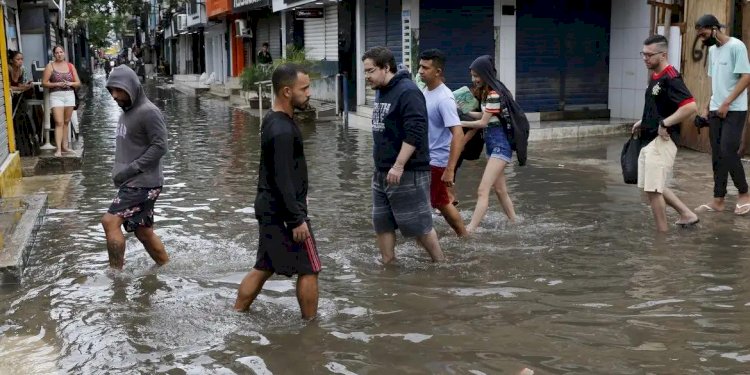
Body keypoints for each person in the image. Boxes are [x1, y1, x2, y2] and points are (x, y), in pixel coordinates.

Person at [234, 63, 321, 320]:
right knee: (310, 268)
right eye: (304, 88)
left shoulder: (273, 120)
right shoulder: (281, 129)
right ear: (286, 91)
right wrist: (296, 219)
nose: (309, 93)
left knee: (264, 265)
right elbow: (282, 177)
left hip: (270, 206)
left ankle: (237, 314)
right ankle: (311, 327)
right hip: (283, 212)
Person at [363, 46, 445, 264]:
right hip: (381, 171)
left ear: (386, 67)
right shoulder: (381, 89)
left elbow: (416, 132)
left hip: (408, 171)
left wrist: (398, 165)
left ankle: (441, 264)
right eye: (365, 71)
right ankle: (388, 264)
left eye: (370, 71)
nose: (366, 76)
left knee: (418, 225)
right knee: (382, 223)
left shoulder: (408, 92)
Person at [101, 65, 169, 271]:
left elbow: (160, 146)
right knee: (143, 231)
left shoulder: (148, 112)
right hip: (133, 182)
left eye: (119, 90)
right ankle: (166, 267)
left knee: (110, 221)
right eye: (111, 90)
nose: (114, 95)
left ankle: (116, 277)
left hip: (142, 183)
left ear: (132, 87)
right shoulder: (127, 112)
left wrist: (131, 170)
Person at [631, 35, 699, 232]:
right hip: (649, 137)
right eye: (643, 54)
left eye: (649, 55)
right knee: (651, 186)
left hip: (662, 139)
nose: (645, 58)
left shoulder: (671, 77)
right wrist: (643, 121)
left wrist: (665, 123)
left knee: (653, 189)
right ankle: (687, 214)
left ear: (663, 55)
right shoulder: (656, 76)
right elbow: (659, 106)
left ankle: (661, 235)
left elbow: (690, 107)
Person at [460, 55, 527, 232]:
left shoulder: (494, 94)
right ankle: (516, 223)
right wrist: (461, 111)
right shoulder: (488, 93)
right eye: (472, 76)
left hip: (500, 147)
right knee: (500, 190)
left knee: (482, 190)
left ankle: (470, 229)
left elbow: (482, 123)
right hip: (493, 147)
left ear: (486, 74)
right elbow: (483, 116)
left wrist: (459, 122)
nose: (474, 79)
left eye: (477, 75)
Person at [694, 14, 750, 215]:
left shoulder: (736, 46)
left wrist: (727, 102)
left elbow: (746, 77)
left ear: (715, 28)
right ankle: (718, 200)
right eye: (700, 35)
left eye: (704, 33)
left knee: (728, 150)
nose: (702, 38)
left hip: (734, 109)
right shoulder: (711, 51)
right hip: (716, 109)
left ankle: (744, 194)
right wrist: (708, 105)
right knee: (717, 155)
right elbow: (716, 81)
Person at [417, 49, 468, 237]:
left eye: (425, 68)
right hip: (424, 158)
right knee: (436, 201)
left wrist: (450, 169)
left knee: (442, 203)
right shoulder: (425, 91)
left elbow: (458, 133)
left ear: (438, 71)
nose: (420, 71)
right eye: (420, 66)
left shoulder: (444, 98)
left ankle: (464, 236)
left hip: (437, 160)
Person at [42, 45, 80, 157]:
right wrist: (56, 84)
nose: (59, 54)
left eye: (61, 52)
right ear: (54, 54)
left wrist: (70, 84)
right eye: (57, 52)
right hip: (56, 95)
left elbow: (78, 83)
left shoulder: (70, 66)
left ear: (64, 53)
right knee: (59, 122)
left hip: (69, 95)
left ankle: (65, 147)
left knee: (66, 122)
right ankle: (58, 149)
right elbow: (44, 83)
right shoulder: (50, 66)